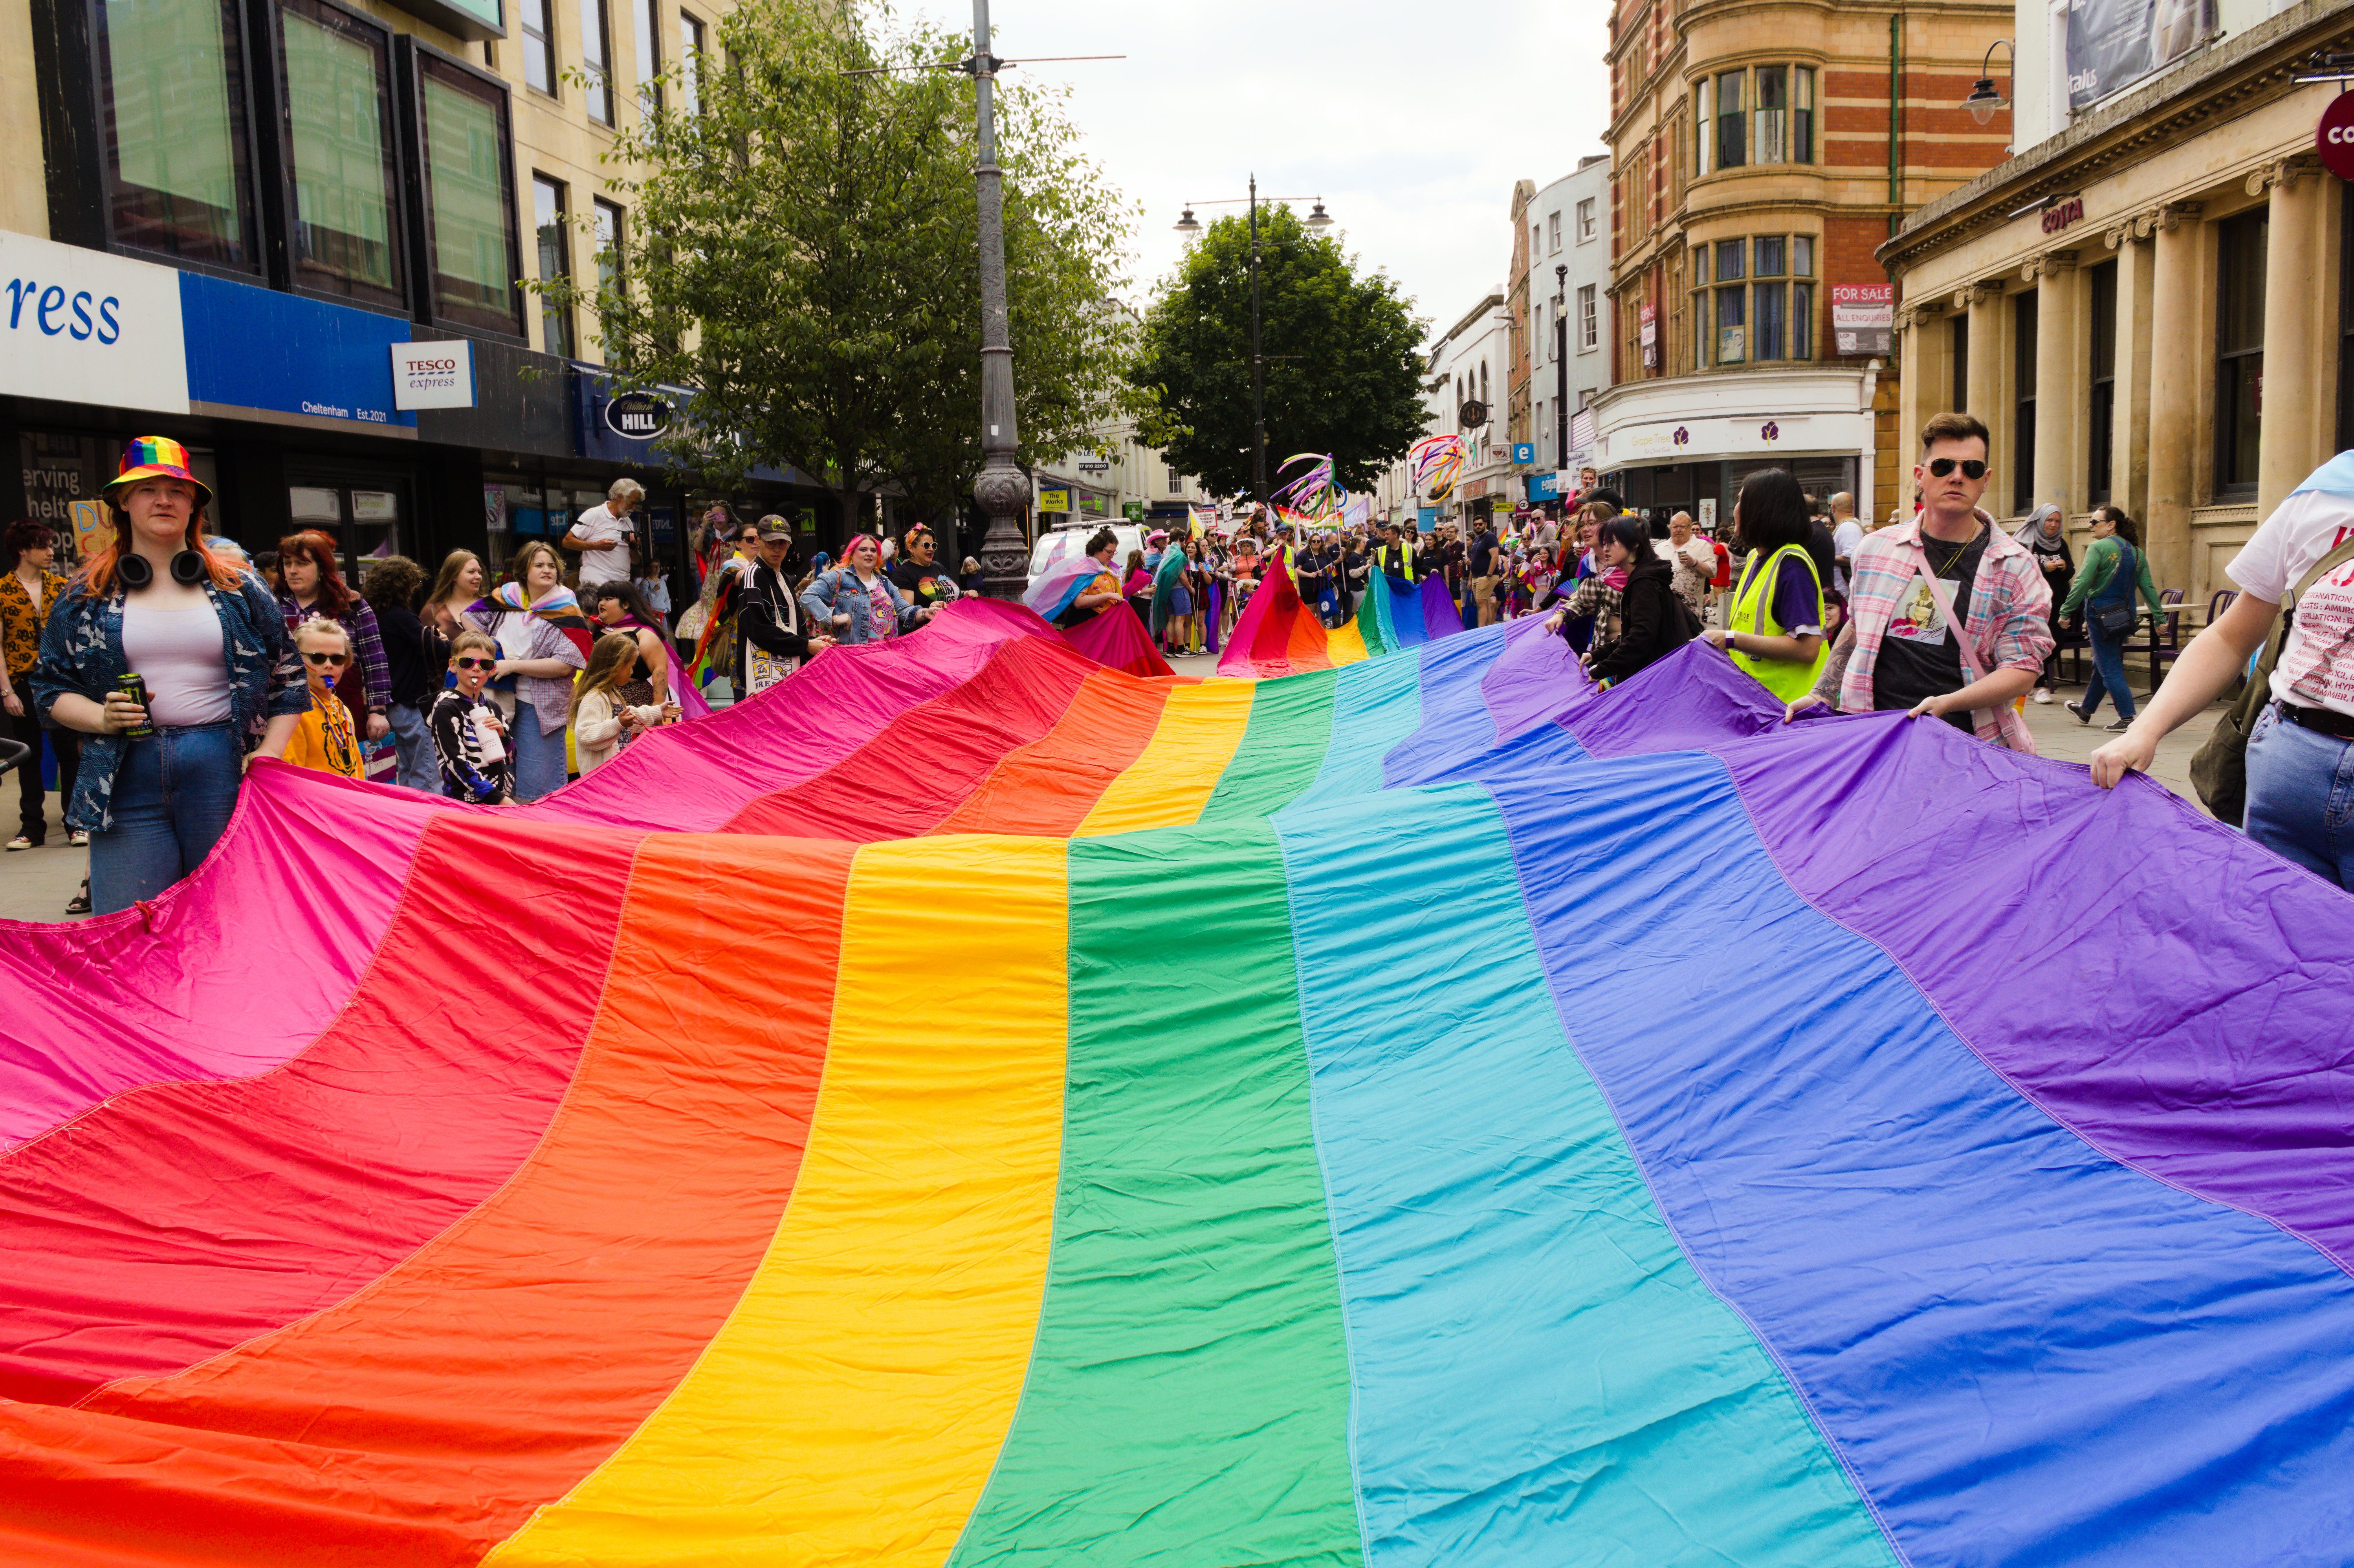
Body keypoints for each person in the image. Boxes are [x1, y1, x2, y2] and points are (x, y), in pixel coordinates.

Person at [31, 437, 305, 913]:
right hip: (122, 772)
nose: (164, 500)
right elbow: (49, 687)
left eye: (178, 490)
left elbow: (289, 678)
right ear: (123, 500)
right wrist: (101, 718)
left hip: (223, 770)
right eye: (148, 489)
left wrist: (270, 753)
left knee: (229, 921)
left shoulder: (240, 586)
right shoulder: (85, 592)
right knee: (131, 925)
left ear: (194, 503)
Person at [2090, 451, 2354, 888]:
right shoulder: (2327, 491)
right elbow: (2231, 637)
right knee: (2274, 924)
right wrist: (2144, 730)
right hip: (2288, 768)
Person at [1795, 412, 2053, 748]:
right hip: (1875, 739)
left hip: (1967, 745)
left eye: (1972, 469)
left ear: (1986, 479)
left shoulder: (2016, 566)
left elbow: (2022, 670)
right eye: (1943, 467)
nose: (1957, 477)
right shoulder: (1874, 549)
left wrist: (1947, 703)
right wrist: (1821, 695)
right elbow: (1858, 628)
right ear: (1921, 476)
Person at [466, 540, 591, 801]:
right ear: (524, 571)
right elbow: (469, 617)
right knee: (500, 773)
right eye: (539, 565)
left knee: (538, 784)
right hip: (497, 698)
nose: (547, 570)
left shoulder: (566, 607)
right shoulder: (508, 597)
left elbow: (564, 665)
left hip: (538, 705)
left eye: (552, 566)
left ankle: (540, 825)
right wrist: (491, 650)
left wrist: (512, 665)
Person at [1701, 467, 1830, 703]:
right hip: (1758, 703)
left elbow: (1808, 649)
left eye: (1742, 501)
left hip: (1786, 708)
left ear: (1763, 510)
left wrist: (1730, 639)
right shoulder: (1756, 558)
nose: (1736, 510)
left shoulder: (1792, 565)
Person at [2, 519, 81, 850]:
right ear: (24, 550)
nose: (51, 552)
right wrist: (6, 691)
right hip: (22, 681)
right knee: (28, 754)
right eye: (43, 546)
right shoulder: (3, 591)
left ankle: (76, 823)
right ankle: (32, 828)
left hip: (61, 679)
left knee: (69, 751)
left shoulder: (63, 587)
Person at [276, 531, 390, 746]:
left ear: (322, 568)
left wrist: (378, 711)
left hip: (344, 709)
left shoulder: (351, 605)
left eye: (302, 563)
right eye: (287, 563)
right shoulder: (272, 606)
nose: (292, 571)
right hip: (287, 715)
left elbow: (375, 661)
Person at [2057, 504, 2164, 730]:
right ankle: (2086, 711)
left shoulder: (2098, 548)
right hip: (2125, 617)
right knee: (2104, 662)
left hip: (2101, 615)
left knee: (2110, 667)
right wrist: (2159, 618)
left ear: (2111, 525)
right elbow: (2148, 587)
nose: (2090, 525)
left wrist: (2066, 611)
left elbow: (2083, 581)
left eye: (2095, 522)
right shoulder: (2136, 552)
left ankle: (2128, 717)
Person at [359, 555, 444, 792]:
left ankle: (409, 808)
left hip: (390, 702)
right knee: (426, 768)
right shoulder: (401, 616)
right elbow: (434, 648)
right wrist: (455, 645)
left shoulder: (374, 615)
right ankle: (428, 811)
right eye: (412, 583)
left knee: (405, 767)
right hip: (411, 701)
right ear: (403, 585)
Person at [1580, 516, 1697, 687]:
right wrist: (1598, 655)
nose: (1606, 549)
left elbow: (1641, 638)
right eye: (1604, 543)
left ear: (1635, 543)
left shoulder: (1644, 583)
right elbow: (1634, 633)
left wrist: (1602, 669)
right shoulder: (1643, 578)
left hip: (1655, 679)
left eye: (1612, 542)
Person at [738, 517, 832, 692]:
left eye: (782, 543)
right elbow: (757, 630)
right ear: (758, 540)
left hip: (790, 672)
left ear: (789, 544)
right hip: (760, 676)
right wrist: (805, 645)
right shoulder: (752, 575)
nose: (777, 549)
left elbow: (798, 629)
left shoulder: (785, 579)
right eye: (770, 543)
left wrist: (814, 642)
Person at [428, 630, 512, 804]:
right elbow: (456, 762)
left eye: (485, 664)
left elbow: (511, 758)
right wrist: (498, 799)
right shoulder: (446, 709)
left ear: (492, 670)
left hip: (500, 796)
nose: (476, 669)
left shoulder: (494, 708)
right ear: (453, 666)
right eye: (467, 662)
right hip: (465, 802)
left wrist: (503, 736)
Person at [804, 533, 926, 645]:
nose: (869, 553)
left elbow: (904, 609)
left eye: (873, 550)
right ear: (852, 554)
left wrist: (926, 613)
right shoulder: (838, 577)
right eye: (863, 550)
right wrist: (833, 618)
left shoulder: (885, 583)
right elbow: (808, 597)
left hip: (885, 655)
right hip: (851, 657)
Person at [571, 631, 666, 775]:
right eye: (630, 667)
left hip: (618, 772)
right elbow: (585, 735)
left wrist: (658, 711)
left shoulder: (612, 694)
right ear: (616, 667)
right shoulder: (594, 699)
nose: (632, 672)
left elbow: (630, 717)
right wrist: (618, 724)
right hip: (602, 777)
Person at [281, 617, 365, 779]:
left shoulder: (342, 709)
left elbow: (357, 765)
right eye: (318, 658)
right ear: (296, 658)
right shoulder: (293, 714)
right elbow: (290, 774)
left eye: (337, 659)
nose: (329, 665)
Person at [2013, 501, 2075, 703]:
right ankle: (2040, 686)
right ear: (2040, 521)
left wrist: (2064, 567)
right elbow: (2017, 570)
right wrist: (2043, 568)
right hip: (2032, 603)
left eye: (2057, 521)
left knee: (2057, 643)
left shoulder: (2061, 543)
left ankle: (2029, 677)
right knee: (2036, 643)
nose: (2053, 525)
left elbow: (2070, 573)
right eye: (2049, 520)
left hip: (2056, 601)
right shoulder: (2026, 542)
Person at [563, 478, 643, 595]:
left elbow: (636, 561)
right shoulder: (594, 514)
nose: (634, 508)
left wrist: (634, 548)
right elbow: (567, 542)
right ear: (619, 497)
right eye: (632, 502)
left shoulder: (628, 522)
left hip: (622, 588)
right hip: (597, 587)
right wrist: (597, 546)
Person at [891, 526, 962, 615]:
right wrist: (928, 611)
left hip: (955, 621)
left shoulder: (938, 566)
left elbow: (952, 592)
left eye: (933, 545)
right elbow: (907, 613)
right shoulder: (902, 573)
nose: (931, 549)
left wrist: (966, 594)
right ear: (912, 549)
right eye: (926, 545)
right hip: (931, 623)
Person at [421, 549, 486, 640]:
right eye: (471, 572)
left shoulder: (490, 605)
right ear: (454, 576)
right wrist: (441, 644)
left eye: (479, 572)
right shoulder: (434, 610)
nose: (478, 576)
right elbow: (424, 644)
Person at [1666, 511, 1715, 622]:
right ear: (1670, 528)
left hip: (1691, 613)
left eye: (1682, 527)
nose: (1679, 530)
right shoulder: (1660, 548)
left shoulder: (1703, 546)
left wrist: (1695, 563)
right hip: (1664, 611)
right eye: (1675, 527)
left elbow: (1713, 572)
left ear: (1689, 528)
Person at [1467, 515, 1502, 626]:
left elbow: (1495, 557)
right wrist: (1470, 579)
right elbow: (1474, 561)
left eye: (1480, 524)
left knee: (1481, 603)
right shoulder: (1477, 539)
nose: (1478, 526)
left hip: (1486, 576)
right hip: (1476, 576)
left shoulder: (1490, 537)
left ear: (1485, 524)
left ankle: (1481, 629)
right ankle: (1487, 628)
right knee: (1484, 603)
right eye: (1476, 525)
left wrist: (1489, 574)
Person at [632, 552, 672, 629]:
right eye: (654, 567)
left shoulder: (662, 582)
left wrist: (667, 609)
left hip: (663, 613)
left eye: (658, 566)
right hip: (653, 613)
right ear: (649, 569)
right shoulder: (646, 582)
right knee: (657, 632)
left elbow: (666, 597)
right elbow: (644, 600)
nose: (657, 568)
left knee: (664, 634)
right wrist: (654, 591)